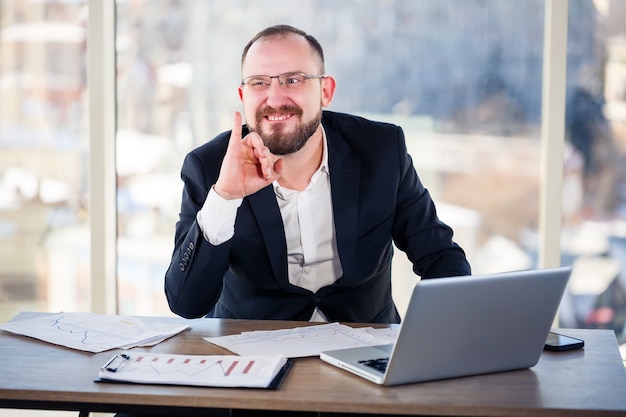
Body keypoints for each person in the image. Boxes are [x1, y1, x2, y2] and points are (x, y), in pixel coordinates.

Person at [164, 24, 471, 325]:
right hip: (254, 351)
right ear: (243, 96)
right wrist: (226, 197)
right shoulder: (208, 167)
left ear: (326, 91)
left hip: (365, 346)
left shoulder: (382, 151)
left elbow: (439, 255)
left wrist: (441, 333)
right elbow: (187, 303)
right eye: (259, 83)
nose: (274, 98)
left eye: (293, 80)